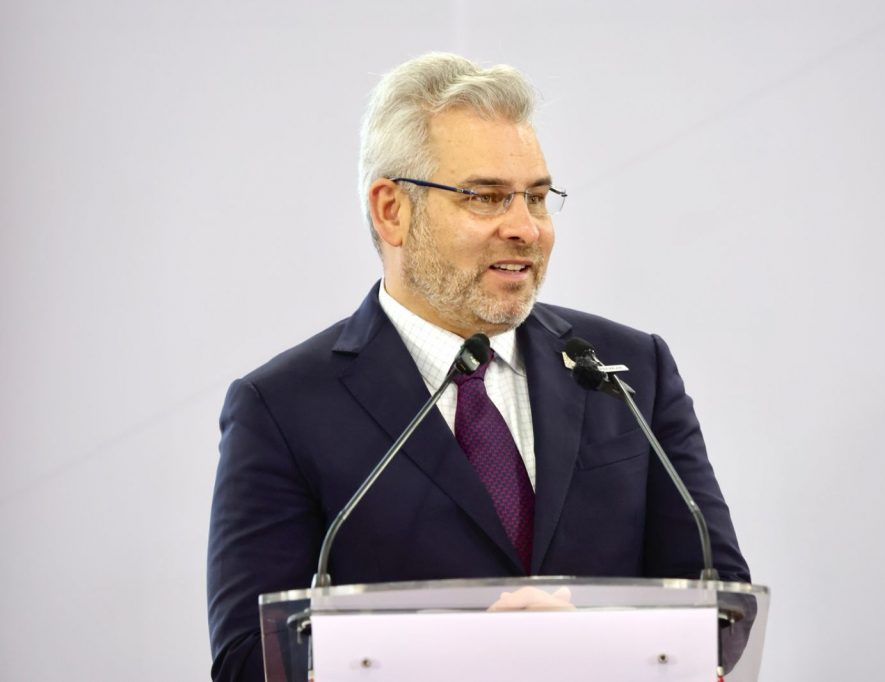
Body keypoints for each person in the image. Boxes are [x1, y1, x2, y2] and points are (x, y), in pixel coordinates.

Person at [207, 52, 749, 681]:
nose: (526, 229)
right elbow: (249, 662)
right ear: (392, 210)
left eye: (537, 198)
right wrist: (472, 649)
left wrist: (590, 642)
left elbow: (721, 608)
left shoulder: (627, 371)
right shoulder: (283, 408)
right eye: (487, 198)